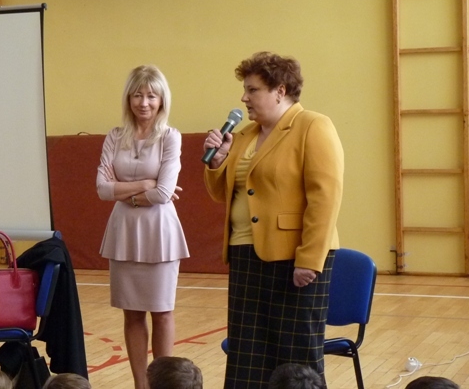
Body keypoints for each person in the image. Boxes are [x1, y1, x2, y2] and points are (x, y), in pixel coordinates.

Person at [203, 51, 344, 387]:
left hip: (294, 258)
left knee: (296, 355)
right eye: (245, 90)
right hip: (245, 255)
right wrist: (217, 162)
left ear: (280, 91)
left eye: (252, 90)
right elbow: (223, 194)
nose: (244, 98)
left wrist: (309, 259)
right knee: (247, 356)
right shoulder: (244, 136)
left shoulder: (312, 126)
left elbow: (325, 198)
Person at [96, 65, 189, 389]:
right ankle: (141, 384)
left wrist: (126, 191)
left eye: (151, 95)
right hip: (123, 232)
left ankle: (163, 384)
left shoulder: (170, 137)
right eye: (138, 95)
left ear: (162, 99)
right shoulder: (114, 136)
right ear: (128, 98)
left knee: (162, 312)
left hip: (159, 233)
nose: (144, 102)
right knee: (132, 314)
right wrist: (146, 184)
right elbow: (102, 189)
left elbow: (164, 193)